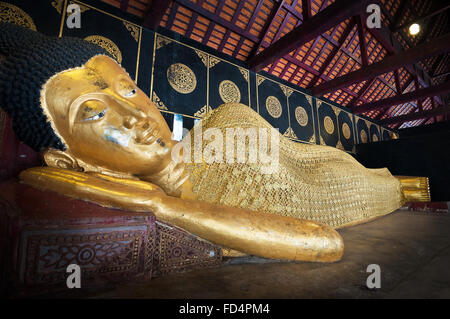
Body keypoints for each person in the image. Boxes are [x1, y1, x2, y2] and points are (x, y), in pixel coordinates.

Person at [0, 22, 430, 262]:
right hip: (322, 196)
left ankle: (403, 184)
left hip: (289, 153)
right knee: (377, 186)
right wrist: (158, 204)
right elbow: (325, 243)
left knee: (346, 162)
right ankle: (411, 187)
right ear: (70, 159)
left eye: (128, 89)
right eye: (94, 113)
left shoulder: (208, 134)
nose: (136, 116)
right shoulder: (186, 204)